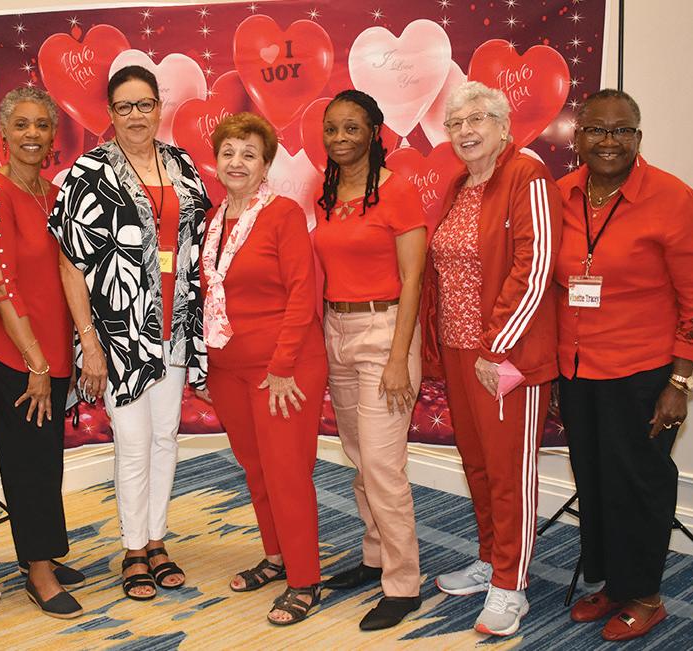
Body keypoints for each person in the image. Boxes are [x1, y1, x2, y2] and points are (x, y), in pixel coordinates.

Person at [556, 89, 693, 642]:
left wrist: (679, 382)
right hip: (577, 371)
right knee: (594, 481)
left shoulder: (674, 199)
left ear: (638, 138)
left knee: (640, 484)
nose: (609, 141)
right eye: (596, 130)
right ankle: (613, 583)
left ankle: (645, 595)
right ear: (577, 138)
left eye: (621, 130)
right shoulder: (559, 195)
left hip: (644, 373)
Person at [49, 65, 210, 601]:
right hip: (119, 332)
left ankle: (157, 540)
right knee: (134, 442)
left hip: (174, 326)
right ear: (110, 113)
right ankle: (133, 548)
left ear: (159, 107)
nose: (136, 115)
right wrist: (89, 342)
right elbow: (70, 264)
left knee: (165, 437)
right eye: (124, 107)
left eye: (145, 105)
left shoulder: (182, 164)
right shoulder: (89, 171)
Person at [426, 81, 562, 637]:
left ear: (504, 127)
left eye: (478, 119)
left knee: (510, 473)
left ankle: (511, 584)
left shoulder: (527, 176)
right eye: (456, 123)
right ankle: (490, 559)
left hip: (505, 357)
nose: (466, 131)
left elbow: (536, 265)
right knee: (478, 465)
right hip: (459, 352)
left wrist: (496, 346)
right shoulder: (460, 185)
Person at [201, 113, 327, 625]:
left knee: (286, 474)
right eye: (228, 152)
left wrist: (281, 366)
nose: (237, 162)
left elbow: (302, 294)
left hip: (283, 369)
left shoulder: (283, 214)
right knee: (256, 470)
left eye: (249, 154)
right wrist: (208, 367)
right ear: (216, 160)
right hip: (229, 369)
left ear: (265, 164)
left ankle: (305, 579)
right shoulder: (214, 220)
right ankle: (276, 558)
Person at [313, 90, 426, 631]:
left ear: (374, 132)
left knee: (383, 466)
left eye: (351, 128)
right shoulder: (328, 192)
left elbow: (413, 279)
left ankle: (404, 584)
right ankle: (375, 555)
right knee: (360, 459)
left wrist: (399, 357)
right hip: (337, 330)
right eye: (332, 128)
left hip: (385, 332)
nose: (340, 138)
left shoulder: (397, 191)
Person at [0, 87, 84, 619]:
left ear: (53, 134)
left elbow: (65, 275)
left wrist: (67, 354)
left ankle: (44, 551)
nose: (32, 134)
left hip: (53, 351)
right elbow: (2, 283)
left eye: (41, 124)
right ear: (4, 133)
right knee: (27, 463)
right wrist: (35, 361)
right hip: (17, 355)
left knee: (47, 459)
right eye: (21, 124)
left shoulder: (52, 192)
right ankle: (38, 571)